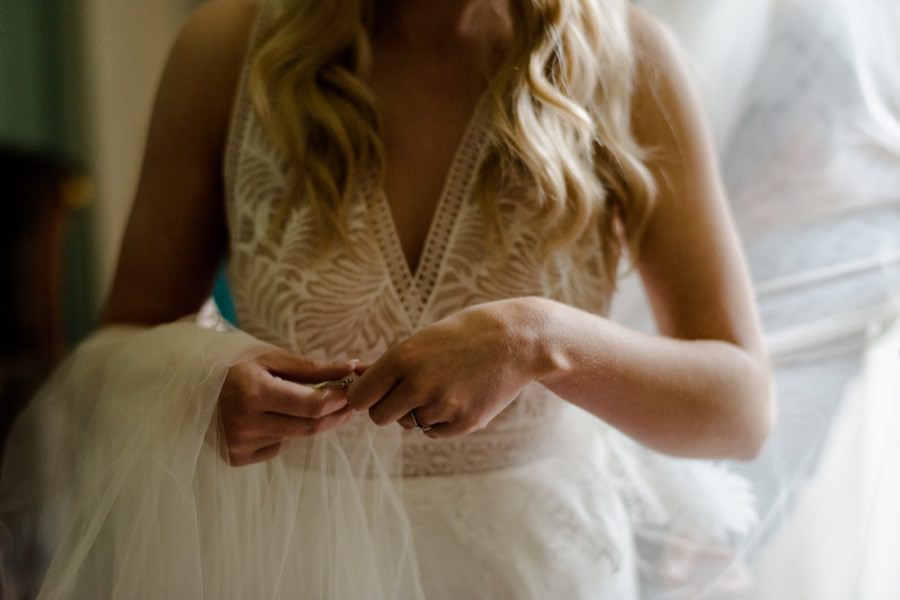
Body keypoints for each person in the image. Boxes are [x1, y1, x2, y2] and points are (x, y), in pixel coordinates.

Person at [1, 0, 773, 597]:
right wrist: (204, 384)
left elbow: (740, 408)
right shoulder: (230, 51)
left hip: (531, 570)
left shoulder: (630, 62)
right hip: (285, 568)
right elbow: (113, 351)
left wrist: (538, 337)